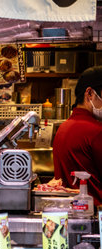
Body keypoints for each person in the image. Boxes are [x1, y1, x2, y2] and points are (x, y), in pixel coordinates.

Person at [53, 66, 102, 206]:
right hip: (94, 211)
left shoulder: (64, 127)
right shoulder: (96, 131)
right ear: (90, 94)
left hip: (69, 210)